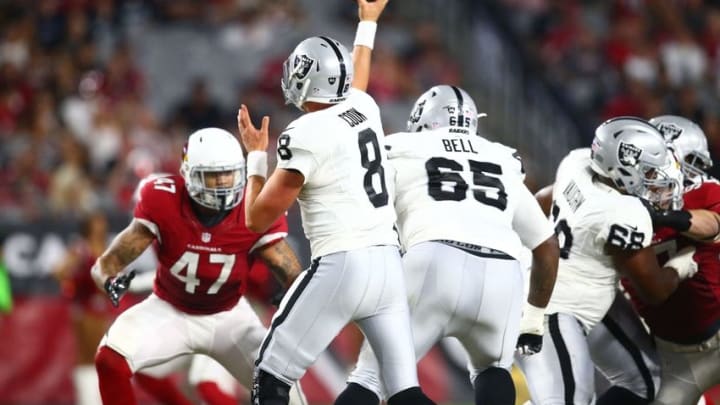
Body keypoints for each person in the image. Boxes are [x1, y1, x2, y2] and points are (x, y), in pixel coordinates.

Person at [237, 1, 436, 404]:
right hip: (388, 265)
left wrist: (256, 156)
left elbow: (256, 219)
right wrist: (367, 25)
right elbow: (357, 83)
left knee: (271, 376)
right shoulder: (365, 108)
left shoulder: (304, 134)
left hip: (343, 266)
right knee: (404, 393)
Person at [327, 84, 559, 405]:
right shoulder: (503, 159)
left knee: (370, 380)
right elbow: (547, 248)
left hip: (435, 260)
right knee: (493, 370)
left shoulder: (401, 147)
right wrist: (533, 319)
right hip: (504, 276)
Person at [90, 127, 306, 405]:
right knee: (110, 359)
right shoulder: (162, 198)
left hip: (231, 318)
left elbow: (291, 274)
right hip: (170, 309)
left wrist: (296, 300)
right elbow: (107, 263)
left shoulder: (253, 207)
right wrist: (108, 280)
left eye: (229, 173)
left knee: (286, 396)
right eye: (214, 175)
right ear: (189, 174)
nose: (224, 183)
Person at [515, 117, 700, 405]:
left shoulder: (577, 164)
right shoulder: (624, 214)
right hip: (550, 311)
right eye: (649, 170)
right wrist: (680, 267)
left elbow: (541, 201)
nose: (657, 177)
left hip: (563, 293)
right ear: (622, 167)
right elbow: (654, 291)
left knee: (644, 379)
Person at [588, 115, 720, 405]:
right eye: (690, 162)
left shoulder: (703, 191)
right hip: (674, 357)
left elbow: (714, 225)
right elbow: (654, 291)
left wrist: (663, 216)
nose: (684, 173)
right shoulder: (615, 207)